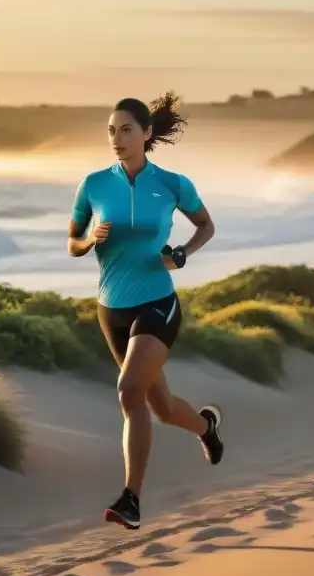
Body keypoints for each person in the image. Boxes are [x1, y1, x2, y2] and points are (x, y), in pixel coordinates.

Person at [67, 90, 223, 530]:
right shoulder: (93, 184)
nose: (116, 138)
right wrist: (89, 240)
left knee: (128, 390)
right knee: (162, 407)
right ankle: (206, 428)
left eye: (126, 130)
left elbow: (206, 225)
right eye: (111, 131)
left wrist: (183, 252)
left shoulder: (173, 183)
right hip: (111, 308)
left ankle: (131, 499)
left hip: (157, 301)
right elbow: (72, 243)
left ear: (146, 134)